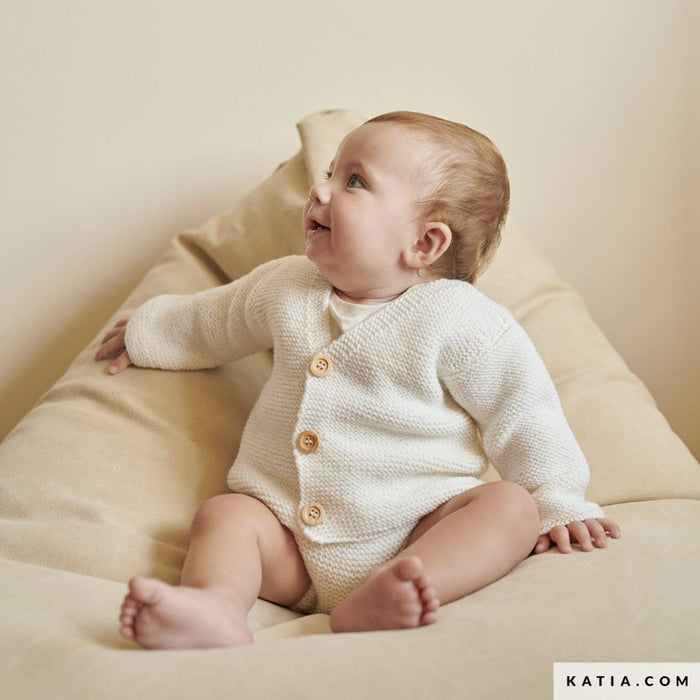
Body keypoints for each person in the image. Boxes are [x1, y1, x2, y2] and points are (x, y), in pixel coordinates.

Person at [96, 111, 620, 649]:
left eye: (353, 181)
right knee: (226, 516)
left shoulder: (462, 321)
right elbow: (213, 322)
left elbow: (524, 411)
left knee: (510, 508)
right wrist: (147, 331)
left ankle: (398, 589)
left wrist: (557, 500)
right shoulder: (286, 285)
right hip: (290, 544)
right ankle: (216, 606)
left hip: (415, 532)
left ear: (425, 244)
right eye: (329, 172)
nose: (319, 191)